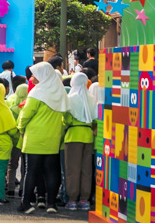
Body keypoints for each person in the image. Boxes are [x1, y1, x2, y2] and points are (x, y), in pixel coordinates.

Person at [18, 61, 68, 214]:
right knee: (51, 171)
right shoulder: (59, 92)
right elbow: (65, 115)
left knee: (31, 170)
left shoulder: (37, 93)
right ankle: (51, 204)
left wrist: (20, 128)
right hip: (53, 136)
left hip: (35, 137)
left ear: (42, 76)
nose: (32, 77)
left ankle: (26, 203)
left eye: (35, 74)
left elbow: (26, 115)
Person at [64, 72, 97, 210]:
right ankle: (85, 199)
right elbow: (95, 118)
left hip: (73, 136)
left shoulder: (70, 98)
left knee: (73, 169)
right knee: (86, 169)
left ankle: (72, 199)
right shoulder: (91, 98)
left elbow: (65, 119)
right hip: (88, 136)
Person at [6, 83, 28, 196]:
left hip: (13, 140)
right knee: (25, 166)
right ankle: (22, 189)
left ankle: (10, 187)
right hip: (26, 140)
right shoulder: (29, 107)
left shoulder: (12, 108)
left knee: (12, 164)